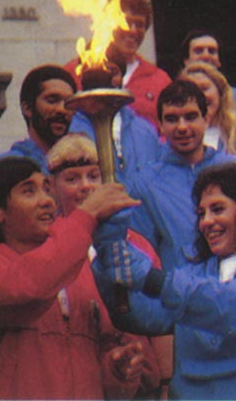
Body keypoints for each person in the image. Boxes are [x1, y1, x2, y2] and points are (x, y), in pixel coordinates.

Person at [93, 162, 236, 400]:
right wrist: (109, 257)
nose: (206, 222)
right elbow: (144, 316)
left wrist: (154, 280)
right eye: (201, 213)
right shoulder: (194, 275)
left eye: (218, 209)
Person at [0, 156, 151, 399]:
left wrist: (117, 371)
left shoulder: (81, 273)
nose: (47, 200)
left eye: (47, 189)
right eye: (29, 191)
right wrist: (86, 215)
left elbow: (108, 384)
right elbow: (33, 284)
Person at [46, 133, 162, 399]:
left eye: (93, 175)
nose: (86, 186)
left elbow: (159, 318)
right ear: (52, 186)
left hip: (139, 381)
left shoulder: (137, 244)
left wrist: (165, 382)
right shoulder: (51, 245)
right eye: (72, 179)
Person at [127, 80, 236, 271]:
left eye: (190, 117)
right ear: (160, 126)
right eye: (172, 119)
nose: (182, 127)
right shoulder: (145, 185)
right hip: (179, 294)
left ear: (206, 119)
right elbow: (143, 257)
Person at [0, 64, 77, 251]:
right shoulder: (1, 170)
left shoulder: (82, 172)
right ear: (28, 108)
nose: (62, 109)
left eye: (69, 103)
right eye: (52, 100)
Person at [65, 0, 171, 128]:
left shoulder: (160, 80)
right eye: (126, 22)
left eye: (139, 25)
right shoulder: (76, 71)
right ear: (108, 24)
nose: (132, 30)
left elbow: (167, 131)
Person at [69, 46, 160, 185]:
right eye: (99, 70)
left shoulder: (145, 130)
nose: (106, 77)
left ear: (122, 77)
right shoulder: (71, 130)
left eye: (113, 71)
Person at [180, 29, 236, 134]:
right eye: (199, 51)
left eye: (212, 51)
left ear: (219, 61)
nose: (206, 55)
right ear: (186, 60)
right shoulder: (175, 95)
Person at [178, 61, 236, 155]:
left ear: (220, 93)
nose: (199, 95)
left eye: (204, 88)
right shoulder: (176, 140)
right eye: (192, 90)